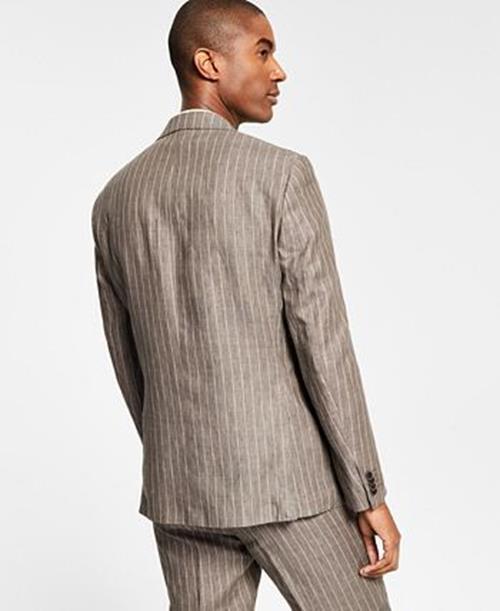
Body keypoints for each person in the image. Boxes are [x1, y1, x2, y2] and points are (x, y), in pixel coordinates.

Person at [91, 0, 401, 608]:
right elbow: (324, 346)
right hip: (288, 486)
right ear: (208, 63)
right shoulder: (281, 176)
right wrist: (368, 493)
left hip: (182, 490)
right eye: (263, 51)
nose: (278, 70)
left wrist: (178, 454)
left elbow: (128, 360)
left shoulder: (116, 198)